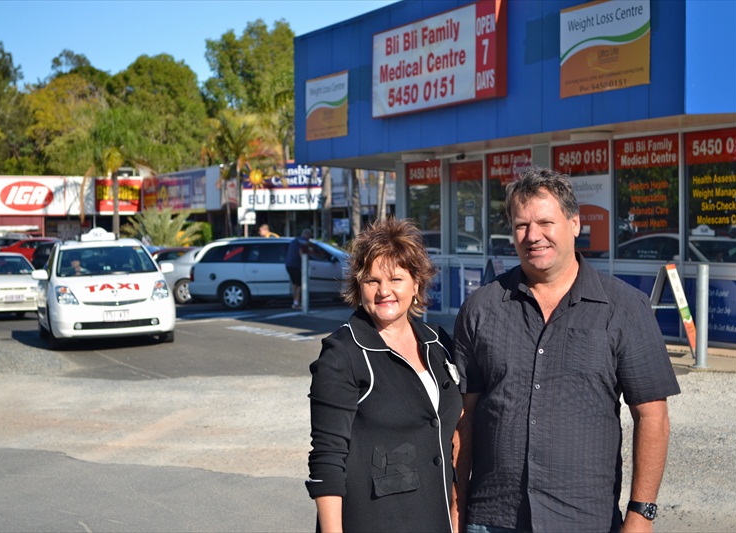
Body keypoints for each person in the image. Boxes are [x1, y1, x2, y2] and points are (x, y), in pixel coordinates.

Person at [452, 167, 681, 533]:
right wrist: (456, 505)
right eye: (521, 225)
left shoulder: (624, 307)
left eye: (545, 222)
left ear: (574, 223)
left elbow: (653, 416)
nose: (533, 236)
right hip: (493, 518)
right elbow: (463, 418)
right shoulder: (482, 308)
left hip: (583, 519)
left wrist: (641, 515)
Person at [306, 217, 463, 533]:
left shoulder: (438, 343)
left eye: (396, 279)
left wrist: (458, 510)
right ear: (357, 286)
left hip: (437, 521)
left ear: (416, 283)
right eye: (372, 280)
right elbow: (327, 461)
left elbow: (454, 433)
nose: (384, 291)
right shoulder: (343, 353)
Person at [285, 228, 312, 309]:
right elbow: (302, 251)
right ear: (306, 234)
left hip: (289, 264)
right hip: (296, 265)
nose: (309, 238)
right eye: (309, 236)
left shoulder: (294, 240)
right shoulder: (303, 241)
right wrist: (304, 263)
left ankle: (295, 301)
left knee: (294, 284)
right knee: (300, 284)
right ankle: (296, 303)